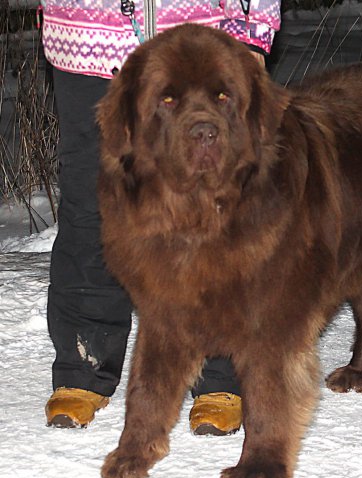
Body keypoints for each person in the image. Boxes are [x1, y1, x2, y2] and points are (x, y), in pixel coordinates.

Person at [39, 0, 281, 434]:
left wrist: (253, 30)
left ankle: (220, 372)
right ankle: (84, 362)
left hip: (204, 41)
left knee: (217, 213)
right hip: (87, 39)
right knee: (90, 207)